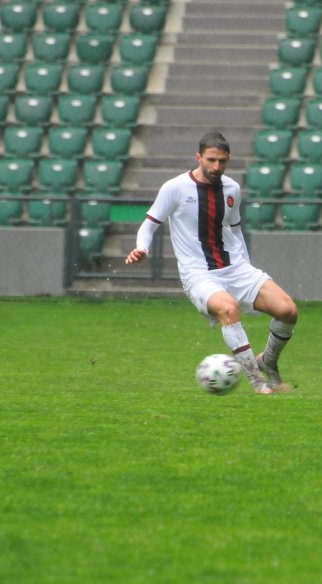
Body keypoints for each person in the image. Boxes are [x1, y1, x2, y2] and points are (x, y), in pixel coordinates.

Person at [125, 131, 298, 394]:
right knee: (228, 309)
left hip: (236, 268)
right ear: (198, 157)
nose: (217, 166)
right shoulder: (174, 188)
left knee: (288, 311)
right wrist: (142, 249)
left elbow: (235, 230)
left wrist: (245, 265)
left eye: (222, 161)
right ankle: (257, 382)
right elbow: (149, 225)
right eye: (211, 160)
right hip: (198, 274)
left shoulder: (232, 189)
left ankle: (268, 361)